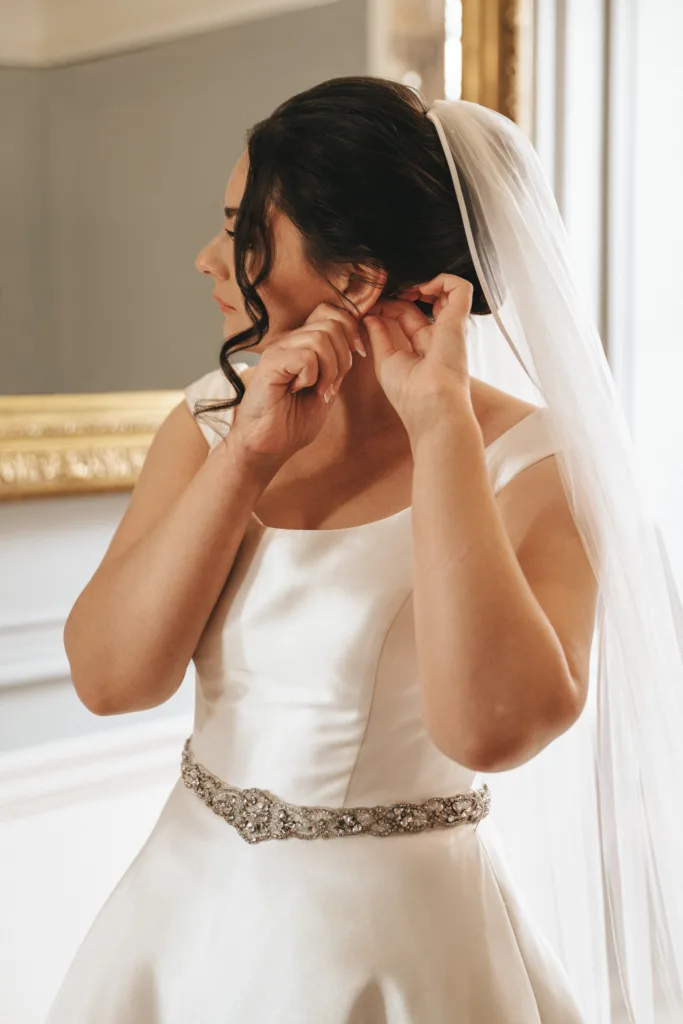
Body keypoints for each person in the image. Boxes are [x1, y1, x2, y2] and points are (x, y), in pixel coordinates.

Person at [44, 76, 683, 1023]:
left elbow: (491, 733)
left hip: (395, 950)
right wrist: (248, 458)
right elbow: (110, 682)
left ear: (352, 279)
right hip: (182, 921)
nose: (208, 259)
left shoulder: (540, 467)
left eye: (240, 231)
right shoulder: (212, 423)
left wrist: (442, 428)